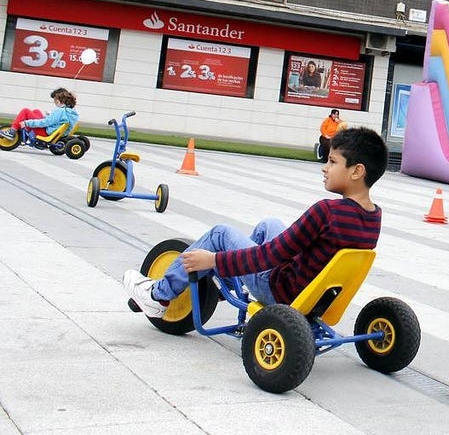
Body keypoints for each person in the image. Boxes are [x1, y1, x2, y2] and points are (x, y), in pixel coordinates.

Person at [122, 127, 388, 318]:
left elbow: (269, 255)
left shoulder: (326, 212)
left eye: (332, 161)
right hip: (319, 294)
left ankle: (159, 295)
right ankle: (228, 274)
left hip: (282, 292)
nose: (324, 167)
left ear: (356, 171)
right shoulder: (374, 215)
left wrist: (214, 260)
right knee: (269, 224)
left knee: (220, 234)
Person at [2, 87, 79, 139]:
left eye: (55, 100)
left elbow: (46, 122)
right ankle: (26, 133)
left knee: (25, 111)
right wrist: (50, 115)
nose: (54, 102)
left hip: (45, 133)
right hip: (53, 131)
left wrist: (27, 123)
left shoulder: (60, 111)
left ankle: (12, 132)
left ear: (58, 100)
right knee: (36, 111)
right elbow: (55, 121)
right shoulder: (70, 112)